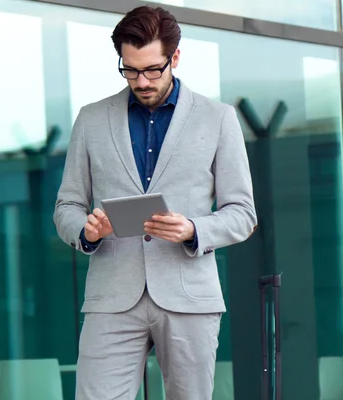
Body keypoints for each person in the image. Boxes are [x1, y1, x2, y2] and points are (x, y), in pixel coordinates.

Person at [53, 5, 258, 400]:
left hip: (188, 296)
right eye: (130, 70)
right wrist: (86, 230)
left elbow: (242, 213)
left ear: (174, 58)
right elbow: (66, 207)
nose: (141, 81)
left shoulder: (218, 119)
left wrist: (194, 229)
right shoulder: (91, 120)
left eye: (152, 70)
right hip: (111, 297)